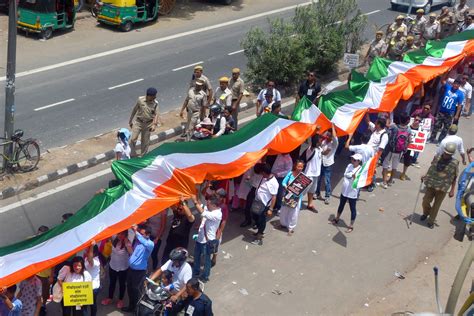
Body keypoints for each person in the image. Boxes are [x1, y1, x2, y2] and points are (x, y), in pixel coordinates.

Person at [421, 143, 459, 228]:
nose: (446, 155)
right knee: (425, 201)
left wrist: (452, 190)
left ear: (452, 154)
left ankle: (431, 221)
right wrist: (426, 175)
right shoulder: (437, 157)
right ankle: (426, 213)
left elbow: (454, 177)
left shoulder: (454, 163)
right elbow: (432, 168)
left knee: (436, 206)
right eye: (445, 153)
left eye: (449, 154)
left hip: (442, 188)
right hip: (432, 184)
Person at [122, 224, 154, 313]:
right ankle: (131, 306)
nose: (140, 234)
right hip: (131, 269)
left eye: (142, 233)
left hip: (139, 272)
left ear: (148, 235)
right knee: (129, 288)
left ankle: (137, 310)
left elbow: (144, 241)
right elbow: (133, 252)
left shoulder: (150, 244)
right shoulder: (138, 241)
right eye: (140, 233)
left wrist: (136, 232)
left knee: (136, 290)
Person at [189, 195, 222, 282]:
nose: (206, 205)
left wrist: (194, 201)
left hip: (207, 241)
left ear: (214, 205)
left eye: (208, 204)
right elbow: (201, 205)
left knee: (206, 260)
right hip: (200, 238)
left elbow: (202, 212)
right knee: (196, 256)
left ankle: (205, 276)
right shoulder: (209, 208)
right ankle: (196, 272)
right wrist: (195, 194)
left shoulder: (217, 214)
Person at [330, 153, 363, 233]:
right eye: (352, 159)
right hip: (345, 190)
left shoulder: (361, 169)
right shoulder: (349, 166)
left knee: (352, 208)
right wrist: (351, 175)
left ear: (359, 161)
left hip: (352, 192)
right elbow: (345, 174)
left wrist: (355, 179)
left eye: (355, 160)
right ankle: (337, 218)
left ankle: (351, 225)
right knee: (341, 204)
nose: (353, 161)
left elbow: (360, 182)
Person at [101, 230, 132, 309]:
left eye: (122, 234)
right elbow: (108, 232)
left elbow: (131, 253)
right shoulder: (114, 238)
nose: (120, 235)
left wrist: (126, 242)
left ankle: (120, 300)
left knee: (122, 284)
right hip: (113, 266)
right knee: (112, 283)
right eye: (119, 233)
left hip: (123, 268)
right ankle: (110, 298)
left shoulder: (128, 243)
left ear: (126, 235)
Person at [250, 163, 279, 246]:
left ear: (264, 172)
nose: (260, 174)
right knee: (254, 215)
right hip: (257, 202)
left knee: (262, 221)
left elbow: (274, 197)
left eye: (261, 173)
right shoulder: (264, 178)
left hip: (264, 206)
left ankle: (259, 237)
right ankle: (260, 231)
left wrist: (271, 209)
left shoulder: (273, 182)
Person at [381, 113, 412, 188]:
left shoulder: (394, 126)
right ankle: (391, 180)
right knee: (394, 166)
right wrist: (405, 149)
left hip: (391, 149)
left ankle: (384, 182)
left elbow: (387, 126)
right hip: (399, 151)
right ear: (407, 121)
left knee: (385, 165)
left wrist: (388, 118)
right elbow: (410, 141)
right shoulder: (408, 129)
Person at [129, 87, 162, 156]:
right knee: (133, 139)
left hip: (148, 124)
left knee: (145, 142)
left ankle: (143, 156)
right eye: (154, 96)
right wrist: (130, 120)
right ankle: (132, 154)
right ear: (148, 96)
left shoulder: (155, 103)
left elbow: (156, 114)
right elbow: (135, 109)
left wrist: (154, 125)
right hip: (138, 122)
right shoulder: (140, 100)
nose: (155, 97)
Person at [429, 78, 464, 144]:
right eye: (455, 83)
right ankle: (431, 138)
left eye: (457, 84)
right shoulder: (448, 87)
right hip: (441, 111)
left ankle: (440, 141)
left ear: (459, 86)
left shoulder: (460, 94)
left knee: (445, 128)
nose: (456, 85)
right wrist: (447, 71)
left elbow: (459, 105)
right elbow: (442, 80)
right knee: (436, 125)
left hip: (450, 113)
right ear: (453, 83)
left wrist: (456, 115)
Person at [279, 160, 305, 235]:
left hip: (297, 197)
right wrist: (286, 187)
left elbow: (304, 187)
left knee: (294, 213)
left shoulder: (303, 177)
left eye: (301, 167)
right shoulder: (290, 174)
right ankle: (283, 224)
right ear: (295, 166)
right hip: (288, 195)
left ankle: (291, 227)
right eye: (298, 166)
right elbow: (283, 182)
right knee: (284, 210)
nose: (300, 168)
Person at [316, 125, 338, 205]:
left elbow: (325, 153)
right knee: (318, 179)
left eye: (329, 135)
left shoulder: (334, 143)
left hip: (328, 165)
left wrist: (332, 126)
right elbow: (318, 144)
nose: (327, 136)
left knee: (327, 181)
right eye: (327, 134)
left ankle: (327, 196)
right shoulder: (324, 141)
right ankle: (317, 193)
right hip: (321, 163)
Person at [301, 134, 323, 212]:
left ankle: (310, 204)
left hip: (316, 175)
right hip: (308, 175)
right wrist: (315, 131)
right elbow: (313, 143)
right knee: (301, 192)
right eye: (320, 140)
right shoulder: (310, 149)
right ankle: (296, 204)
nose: (322, 141)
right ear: (316, 142)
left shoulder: (320, 149)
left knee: (312, 191)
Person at [239, 163, 264, 227]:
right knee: (248, 206)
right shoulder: (254, 171)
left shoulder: (264, 176)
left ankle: (257, 222)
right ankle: (248, 220)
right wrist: (247, 180)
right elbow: (250, 183)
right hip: (252, 190)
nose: (257, 174)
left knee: (256, 209)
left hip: (260, 191)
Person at [400, 114, 423, 181]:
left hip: (411, 148)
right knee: (396, 159)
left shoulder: (420, 130)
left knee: (407, 161)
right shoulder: (407, 127)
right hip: (402, 145)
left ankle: (404, 173)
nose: (417, 122)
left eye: (419, 121)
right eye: (416, 120)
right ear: (413, 120)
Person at [212, 188, 229, 267]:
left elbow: (224, 221)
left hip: (217, 229)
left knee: (215, 245)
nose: (215, 195)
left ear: (221, 198)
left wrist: (219, 232)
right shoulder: (212, 202)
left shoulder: (223, 207)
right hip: (210, 227)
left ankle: (214, 258)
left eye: (217, 195)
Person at [84, 245, 101, 316]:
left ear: (93, 253)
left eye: (88, 251)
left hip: (92, 287)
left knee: (90, 304)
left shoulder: (95, 261)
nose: (86, 251)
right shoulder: (87, 258)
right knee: (87, 304)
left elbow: (90, 260)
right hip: (86, 286)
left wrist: (91, 247)